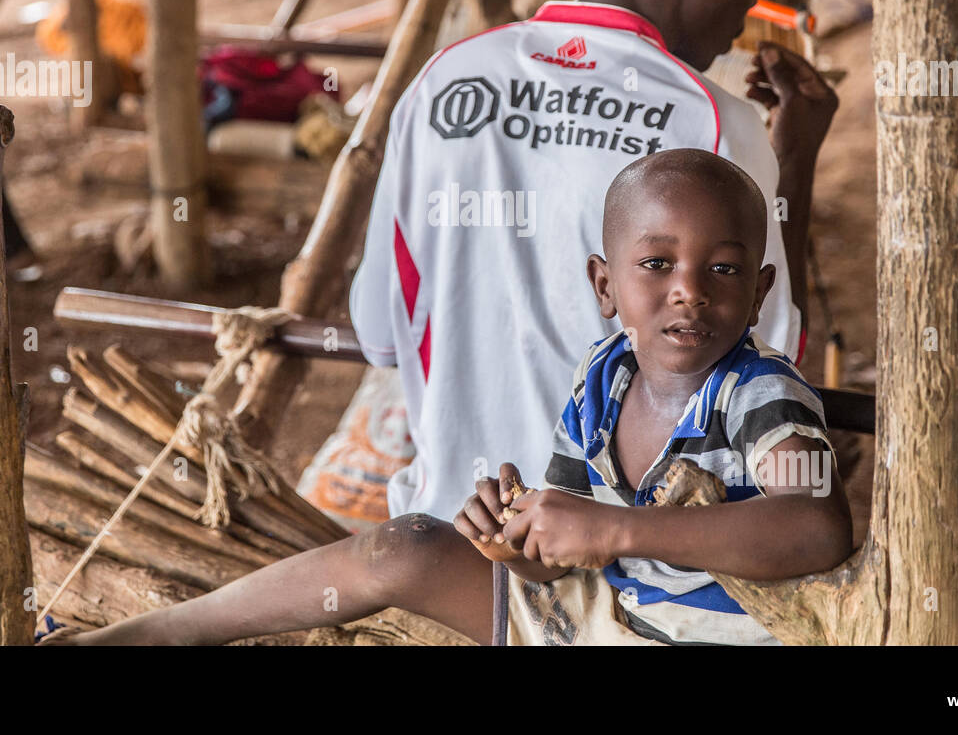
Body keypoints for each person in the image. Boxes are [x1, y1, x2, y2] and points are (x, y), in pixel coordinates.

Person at [44, 150, 851, 646]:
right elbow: (558, 559)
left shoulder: (759, 393)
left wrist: (617, 527)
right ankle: (164, 633)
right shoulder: (603, 379)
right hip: (588, 622)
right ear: (604, 285)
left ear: (759, 291)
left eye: (722, 269)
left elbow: (814, 525)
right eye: (656, 265)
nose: (688, 293)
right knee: (405, 548)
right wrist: (517, 543)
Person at [348, 0, 840, 523]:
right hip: (619, 564)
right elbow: (769, 359)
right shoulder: (713, 125)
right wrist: (793, 158)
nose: (749, 5)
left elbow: (377, 334)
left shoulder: (445, 83)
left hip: (450, 534)